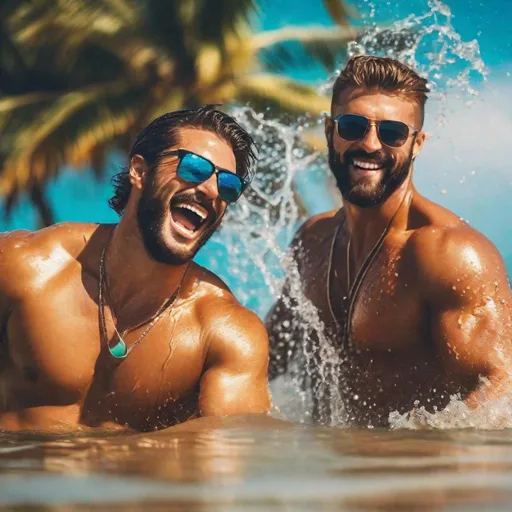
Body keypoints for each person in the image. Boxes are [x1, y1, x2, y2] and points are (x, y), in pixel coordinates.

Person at [267, 56, 512, 427]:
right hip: (325, 475)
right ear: (330, 130)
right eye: (353, 126)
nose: (369, 144)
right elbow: (268, 358)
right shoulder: (313, 241)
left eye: (392, 133)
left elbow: (501, 390)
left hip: (414, 475)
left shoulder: (449, 254)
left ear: (417, 144)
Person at [0, 106, 270, 432]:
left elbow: (228, 460)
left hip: (132, 481)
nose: (212, 191)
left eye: (228, 186)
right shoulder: (23, 267)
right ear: (140, 171)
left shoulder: (224, 333)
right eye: (194, 168)